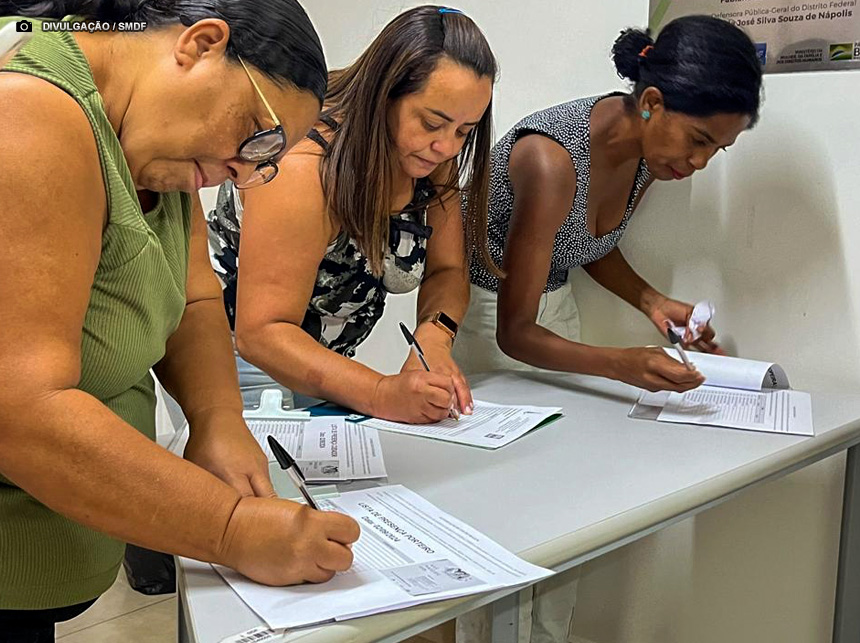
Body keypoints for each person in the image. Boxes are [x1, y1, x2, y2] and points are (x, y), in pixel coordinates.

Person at [0, 2, 360, 640]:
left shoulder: (156, 141)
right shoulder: (31, 111)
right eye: (257, 135)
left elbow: (192, 296)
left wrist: (218, 418)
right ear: (199, 45)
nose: (245, 173)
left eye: (267, 159)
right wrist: (230, 529)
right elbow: (20, 407)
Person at [451, 15, 764, 643]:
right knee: (508, 506)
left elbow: (589, 241)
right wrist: (623, 363)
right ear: (652, 102)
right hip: (482, 319)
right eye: (698, 140)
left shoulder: (651, 155)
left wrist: (652, 301)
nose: (699, 163)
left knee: (568, 497)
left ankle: (548, 636)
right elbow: (515, 333)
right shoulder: (549, 159)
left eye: (716, 151)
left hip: (552, 309)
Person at [206, 5, 498, 423]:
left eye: (464, 131)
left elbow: (448, 270)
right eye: (432, 123)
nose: (447, 146)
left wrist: (434, 338)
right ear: (385, 94)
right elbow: (262, 332)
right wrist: (380, 392)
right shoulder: (304, 167)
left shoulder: (432, 158)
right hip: (242, 368)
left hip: (326, 362)